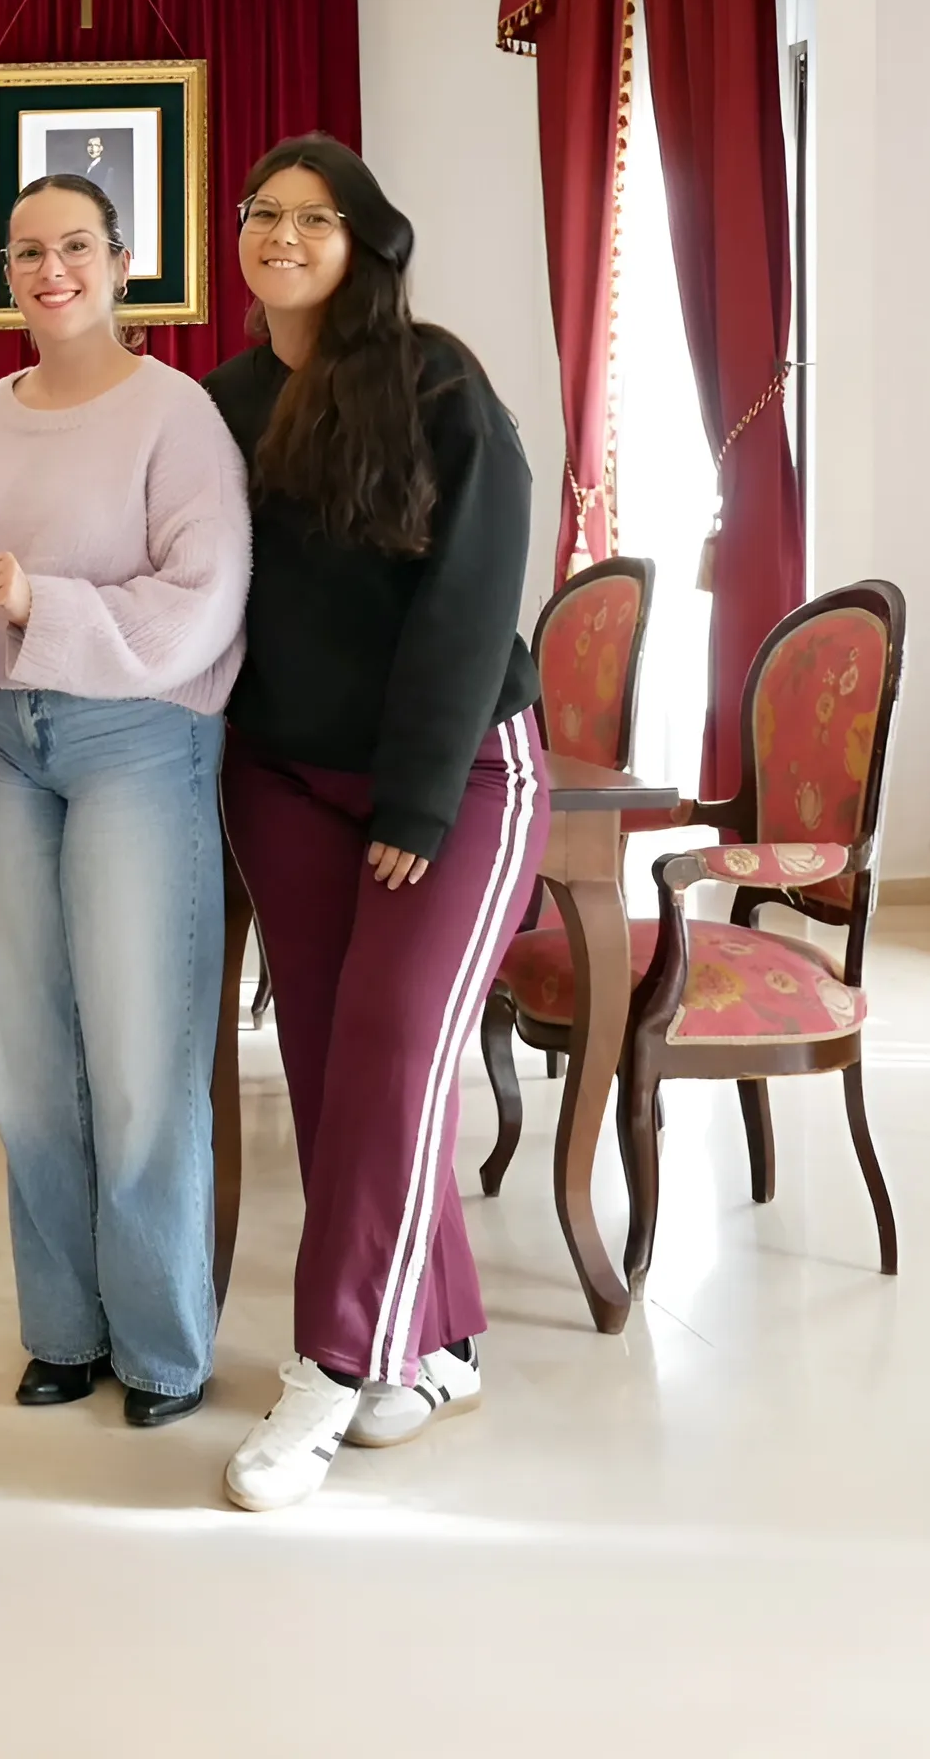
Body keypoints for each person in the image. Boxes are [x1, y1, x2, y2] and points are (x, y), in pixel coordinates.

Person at [203, 135, 546, 1513]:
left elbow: (475, 593)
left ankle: (329, 1369)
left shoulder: (438, 379)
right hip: (285, 778)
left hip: (452, 779)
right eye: (263, 212)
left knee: (401, 1050)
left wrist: (414, 789)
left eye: (315, 216)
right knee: (342, 1071)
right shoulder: (218, 403)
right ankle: (440, 1343)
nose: (283, 233)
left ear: (366, 243)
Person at [0, 171, 251, 1431]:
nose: (48, 270)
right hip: (1, 741)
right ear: (3, 274)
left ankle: (163, 1346)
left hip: (134, 741)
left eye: (73, 248)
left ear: (122, 263)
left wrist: (32, 602)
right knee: (21, 1058)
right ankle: (62, 1330)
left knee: (135, 1057)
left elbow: (202, 601)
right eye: (25, 252)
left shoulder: (177, 415)